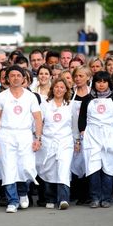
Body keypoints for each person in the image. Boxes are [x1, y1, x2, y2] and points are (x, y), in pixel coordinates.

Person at [0, 66, 42, 213]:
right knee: (8, 168)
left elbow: (38, 118)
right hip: (7, 135)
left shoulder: (30, 96)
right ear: (7, 78)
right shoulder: (1, 97)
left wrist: (38, 138)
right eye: (12, 75)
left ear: (24, 78)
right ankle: (12, 200)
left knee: (25, 166)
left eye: (18, 75)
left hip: (25, 135)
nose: (15, 78)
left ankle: (22, 192)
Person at [78, 71, 113, 208]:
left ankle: (106, 198)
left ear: (108, 83)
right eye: (98, 82)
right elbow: (82, 118)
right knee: (93, 168)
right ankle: (95, 198)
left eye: (104, 82)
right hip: (92, 135)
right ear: (94, 83)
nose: (101, 85)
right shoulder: (87, 99)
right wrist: (83, 132)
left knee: (109, 167)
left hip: (110, 135)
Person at [37, 78, 73, 210]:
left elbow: (74, 125)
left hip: (65, 141)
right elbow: (39, 123)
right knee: (49, 170)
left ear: (66, 90)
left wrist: (77, 141)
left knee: (63, 169)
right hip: (48, 141)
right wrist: (38, 138)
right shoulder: (45, 104)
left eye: (62, 87)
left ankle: (63, 199)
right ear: (53, 89)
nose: (59, 89)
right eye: (56, 87)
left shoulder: (70, 105)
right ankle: (50, 198)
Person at [70, 66, 92, 205]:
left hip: (89, 134)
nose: (78, 79)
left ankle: (87, 194)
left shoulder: (93, 94)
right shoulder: (70, 93)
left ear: (88, 77)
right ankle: (75, 193)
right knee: (74, 163)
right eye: (76, 76)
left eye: (81, 76)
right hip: (71, 133)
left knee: (88, 163)